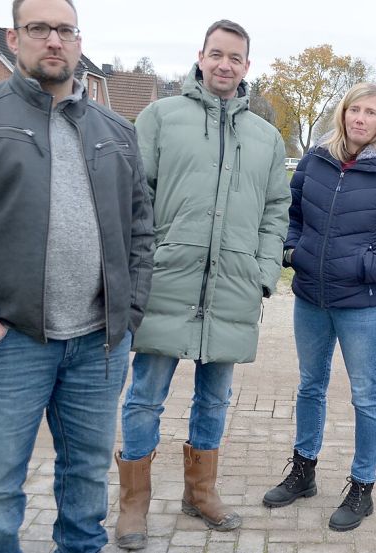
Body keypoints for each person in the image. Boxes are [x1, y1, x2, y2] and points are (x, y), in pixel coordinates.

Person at [0, 0, 154, 551]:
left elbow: (140, 229)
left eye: (65, 30)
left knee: (87, 490)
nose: (53, 40)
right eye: (39, 29)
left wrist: (129, 313)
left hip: (97, 346)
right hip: (6, 344)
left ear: (80, 41)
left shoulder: (115, 129)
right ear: (14, 40)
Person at [114, 19, 290, 549]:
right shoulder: (161, 118)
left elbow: (276, 210)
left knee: (214, 400)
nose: (224, 65)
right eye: (216, 54)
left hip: (233, 289)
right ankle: (133, 506)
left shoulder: (266, 136)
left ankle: (200, 493)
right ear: (200, 56)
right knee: (145, 396)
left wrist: (262, 271)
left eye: (234, 58)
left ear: (246, 67)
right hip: (167, 283)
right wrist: (144, 264)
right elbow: (132, 196)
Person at [262, 82, 376, 531]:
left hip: (363, 306)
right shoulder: (316, 162)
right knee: (309, 387)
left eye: (370, 112)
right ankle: (303, 472)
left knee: (366, 396)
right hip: (310, 299)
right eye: (354, 109)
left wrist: (364, 266)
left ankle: (362, 487)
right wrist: (292, 252)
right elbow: (290, 215)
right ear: (342, 114)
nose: (360, 118)